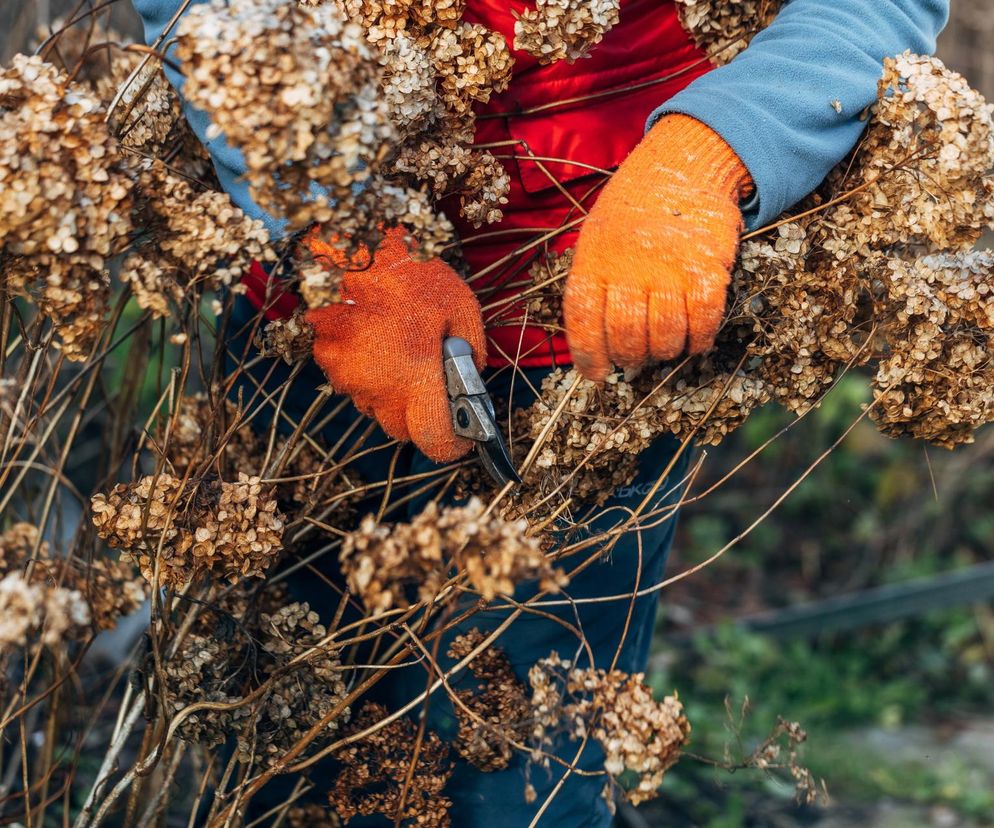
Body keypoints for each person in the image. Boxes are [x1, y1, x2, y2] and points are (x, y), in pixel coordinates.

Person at [131, 1, 949, 824]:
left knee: (525, 780)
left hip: (595, 334)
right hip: (325, 332)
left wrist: (707, 157)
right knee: (291, 760)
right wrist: (339, 240)